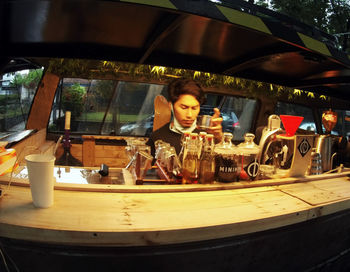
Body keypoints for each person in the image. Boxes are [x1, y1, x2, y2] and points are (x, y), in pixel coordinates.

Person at [147, 78, 223, 156]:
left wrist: (219, 140)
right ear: (171, 106)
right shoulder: (158, 137)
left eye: (194, 108)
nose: (189, 115)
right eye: (184, 107)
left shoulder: (207, 136)